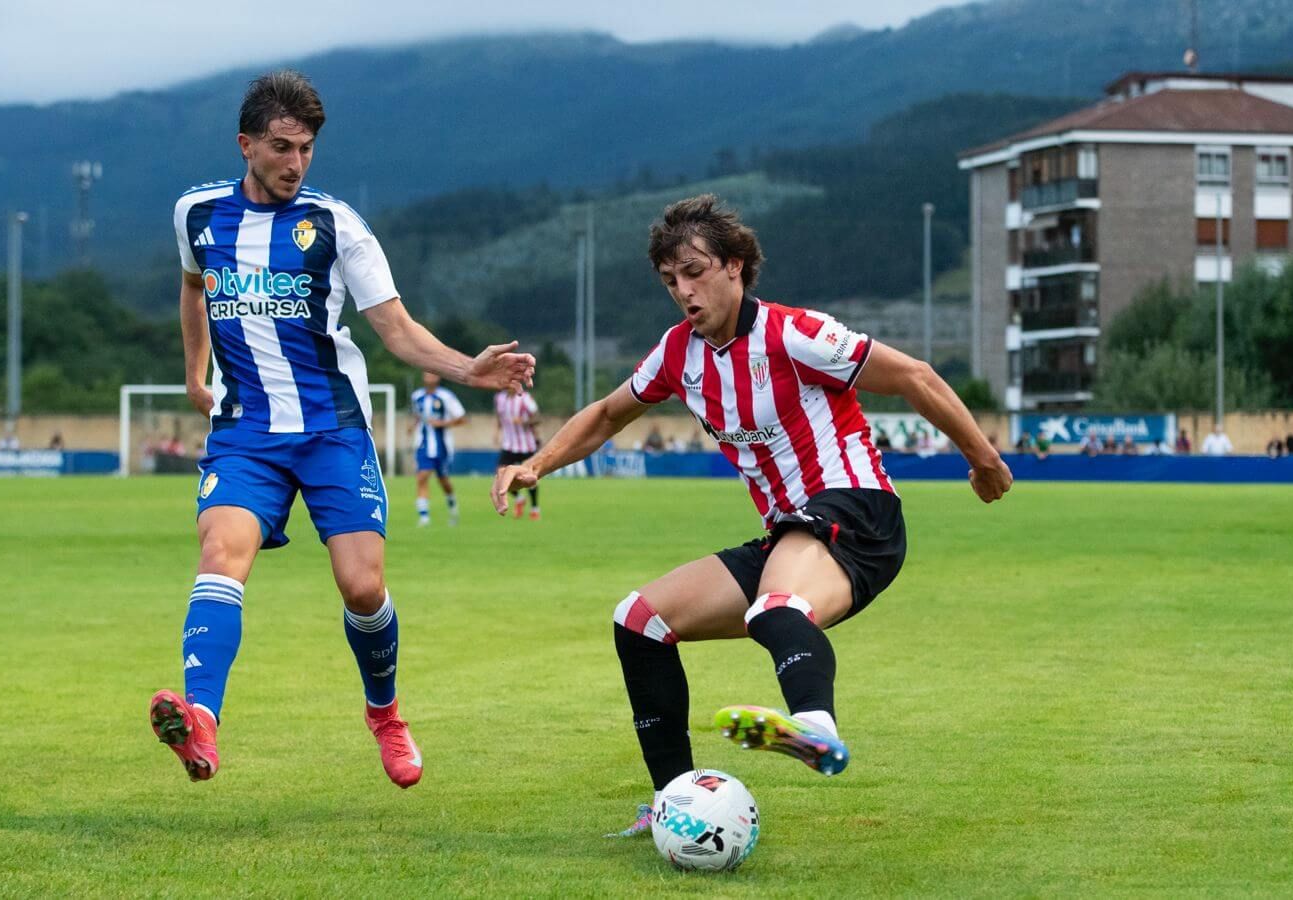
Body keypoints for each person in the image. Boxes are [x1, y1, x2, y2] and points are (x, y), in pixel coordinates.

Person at [490, 195, 1011, 835]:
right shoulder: (678, 353)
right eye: (670, 279)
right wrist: (536, 465)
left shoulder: (794, 333)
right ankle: (672, 803)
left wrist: (984, 459)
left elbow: (915, 377)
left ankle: (815, 727)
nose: (683, 290)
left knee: (774, 607)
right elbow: (605, 414)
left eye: (695, 271)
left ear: (735, 266)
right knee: (640, 621)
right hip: (790, 530)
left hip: (857, 511)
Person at [148, 71, 535, 790]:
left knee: (362, 586)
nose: (295, 162)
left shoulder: (336, 225)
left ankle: (385, 714)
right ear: (245, 145)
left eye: (307, 149)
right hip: (245, 433)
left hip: (332, 429)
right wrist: (196, 374)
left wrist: (467, 368)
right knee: (220, 553)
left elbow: (396, 329)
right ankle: (200, 719)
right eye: (281, 146)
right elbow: (192, 287)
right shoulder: (196, 214)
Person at [411, 372, 466, 527]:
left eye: (432, 374)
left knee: (443, 480)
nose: (429, 377)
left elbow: (462, 419)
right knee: (422, 476)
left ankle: (453, 506)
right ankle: (424, 517)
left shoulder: (446, 396)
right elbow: (418, 415)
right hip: (422, 444)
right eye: (426, 374)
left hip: (442, 446)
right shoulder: (417, 396)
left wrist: (442, 423)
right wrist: (412, 426)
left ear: (438, 377)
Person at [495, 386, 543, 519]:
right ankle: (519, 499)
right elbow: (500, 416)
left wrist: (524, 421)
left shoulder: (525, 398)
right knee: (500, 477)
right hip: (509, 445)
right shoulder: (499, 398)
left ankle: (535, 508)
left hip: (526, 445)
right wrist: (497, 432)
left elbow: (538, 418)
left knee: (531, 478)